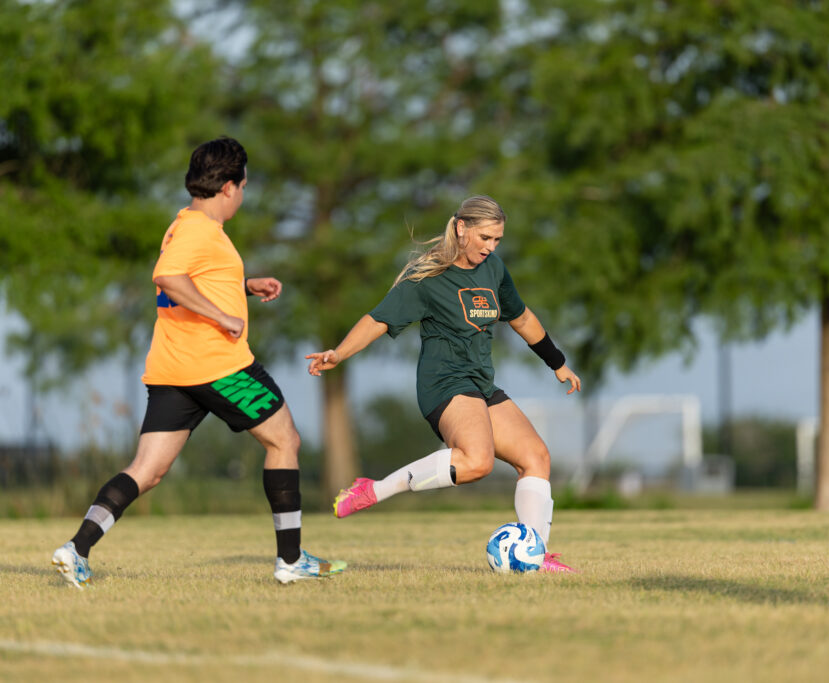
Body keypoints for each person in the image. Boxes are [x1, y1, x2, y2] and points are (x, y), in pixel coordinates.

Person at [51, 137, 346, 588]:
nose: (242, 195)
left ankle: (77, 549)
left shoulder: (184, 225)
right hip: (219, 367)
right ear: (229, 187)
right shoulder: (199, 231)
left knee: (147, 470)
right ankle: (291, 560)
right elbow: (168, 276)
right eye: (243, 186)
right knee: (285, 440)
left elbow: (192, 277)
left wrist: (244, 286)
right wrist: (223, 316)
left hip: (174, 369)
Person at [305, 195, 581, 573]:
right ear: (461, 228)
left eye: (497, 240)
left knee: (536, 457)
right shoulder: (427, 277)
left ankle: (534, 553)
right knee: (477, 462)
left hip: (480, 381)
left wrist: (558, 363)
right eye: (485, 237)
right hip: (444, 381)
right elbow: (378, 320)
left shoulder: (494, 269)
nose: (491, 247)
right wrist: (338, 353)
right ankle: (375, 489)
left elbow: (521, 318)